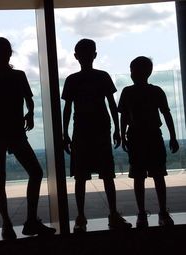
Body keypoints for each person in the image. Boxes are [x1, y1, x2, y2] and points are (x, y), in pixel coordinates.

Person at [0, 37, 56, 240]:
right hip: (14, 132)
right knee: (34, 172)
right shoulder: (17, 76)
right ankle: (29, 220)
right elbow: (29, 99)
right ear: (7, 53)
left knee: (1, 179)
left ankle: (7, 224)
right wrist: (30, 113)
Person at [62, 38, 132, 233]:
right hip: (100, 129)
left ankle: (81, 217)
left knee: (80, 177)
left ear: (76, 56)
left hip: (82, 130)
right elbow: (111, 104)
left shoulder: (72, 80)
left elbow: (68, 108)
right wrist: (117, 130)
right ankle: (112, 214)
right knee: (107, 175)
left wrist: (64, 133)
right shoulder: (102, 76)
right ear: (95, 55)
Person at [118, 56, 179, 228]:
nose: (131, 73)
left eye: (133, 70)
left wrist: (123, 136)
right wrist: (172, 136)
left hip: (136, 137)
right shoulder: (156, 91)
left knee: (139, 177)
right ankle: (162, 211)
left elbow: (123, 116)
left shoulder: (127, 92)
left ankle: (142, 213)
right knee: (159, 176)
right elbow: (166, 114)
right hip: (153, 135)